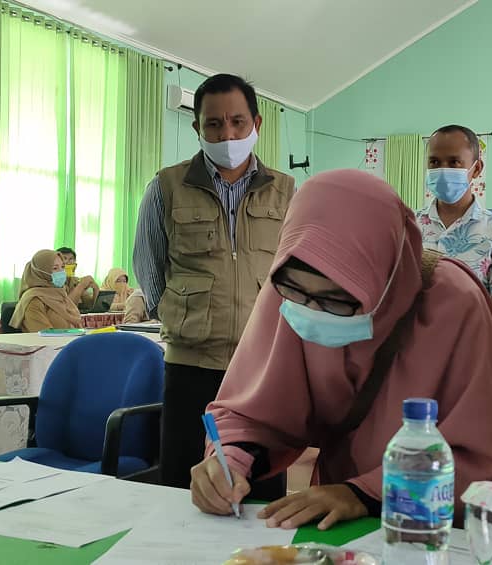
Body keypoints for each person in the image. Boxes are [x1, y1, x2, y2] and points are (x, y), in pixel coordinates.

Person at [190, 170, 492, 530]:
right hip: (338, 519)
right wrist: (230, 461)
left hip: (433, 526)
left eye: (337, 301)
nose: (311, 315)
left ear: (383, 275)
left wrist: (364, 494)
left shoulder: (457, 305)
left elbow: (478, 454)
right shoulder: (289, 288)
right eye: (299, 296)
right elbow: (253, 410)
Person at [133, 73, 295, 489]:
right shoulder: (166, 187)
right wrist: (181, 314)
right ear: (197, 128)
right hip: (190, 367)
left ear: (257, 125)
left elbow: (296, 272)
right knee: (183, 489)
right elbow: (149, 268)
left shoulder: (287, 192)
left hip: (260, 369)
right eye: (214, 124)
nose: (227, 134)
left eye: (238, 122)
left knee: (260, 487)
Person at [417, 125, 492, 327]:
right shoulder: (406, 226)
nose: (443, 169)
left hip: (469, 352)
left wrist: (444, 330)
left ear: (476, 169)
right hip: (409, 352)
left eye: (454, 162)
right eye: (434, 162)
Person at [9, 249, 82, 333]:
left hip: (70, 343)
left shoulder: (60, 293)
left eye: (62, 267)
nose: (61, 272)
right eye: (55, 268)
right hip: (51, 344)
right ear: (40, 272)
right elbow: (45, 335)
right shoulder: (34, 300)